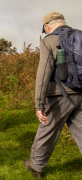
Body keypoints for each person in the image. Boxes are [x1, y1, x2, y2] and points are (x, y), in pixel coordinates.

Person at [25, 11, 82, 180]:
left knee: (47, 130)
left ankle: (36, 167)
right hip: (81, 93)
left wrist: (39, 105)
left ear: (47, 26)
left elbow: (43, 74)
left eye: (45, 29)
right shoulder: (79, 36)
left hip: (60, 94)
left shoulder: (49, 40)